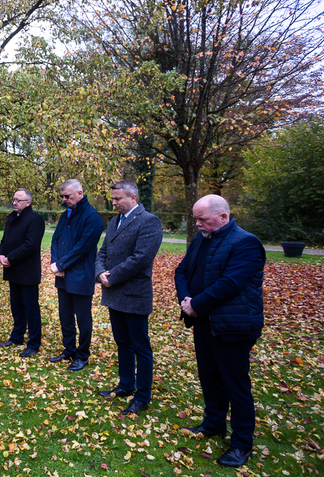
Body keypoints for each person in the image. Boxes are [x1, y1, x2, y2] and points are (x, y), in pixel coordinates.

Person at [174, 194, 265, 468]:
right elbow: (182, 270)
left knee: (235, 384)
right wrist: (186, 300)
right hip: (204, 323)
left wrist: (197, 304)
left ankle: (241, 444)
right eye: (196, 218)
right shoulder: (201, 239)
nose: (198, 223)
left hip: (233, 326)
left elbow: (231, 283)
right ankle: (213, 424)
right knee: (210, 377)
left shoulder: (246, 243)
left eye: (203, 219)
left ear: (223, 217)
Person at [94, 180, 162, 416]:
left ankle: (142, 397)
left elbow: (141, 259)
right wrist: (99, 272)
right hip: (114, 293)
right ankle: (125, 386)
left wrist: (112, 276)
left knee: (140, 347)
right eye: (112, 199)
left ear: (133, 197)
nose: (113, 203)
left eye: (117, 199)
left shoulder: (149, 221)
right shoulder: (114, 221)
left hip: (133, 295)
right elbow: (102, 252)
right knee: (122, 342)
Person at [48, 179, 103, 371]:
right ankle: (69, 349)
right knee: (65, 315)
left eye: (67, 196)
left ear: (80, 193)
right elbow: (55, 240)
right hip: (62, 275)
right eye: (62, 196)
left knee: (83, 318)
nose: (64, 199)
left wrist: (62, 264)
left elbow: (83, 247)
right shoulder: (65, 216)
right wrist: (56, 264)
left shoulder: (92, 217)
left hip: (81, 275)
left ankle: (83, 355)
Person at [0, 188, 46, 358]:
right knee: (16, 307)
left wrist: (11, 257)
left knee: (31, 308)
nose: (15, 203)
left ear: (28, 203)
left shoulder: (35, 220)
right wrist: (0, 255)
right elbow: (5, 240)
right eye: (14, 200)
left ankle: (34, 343)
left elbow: (30, 245)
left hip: (27, 271)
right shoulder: (12, 218)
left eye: (18, 200)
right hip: (13, 270)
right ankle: (17, 336)